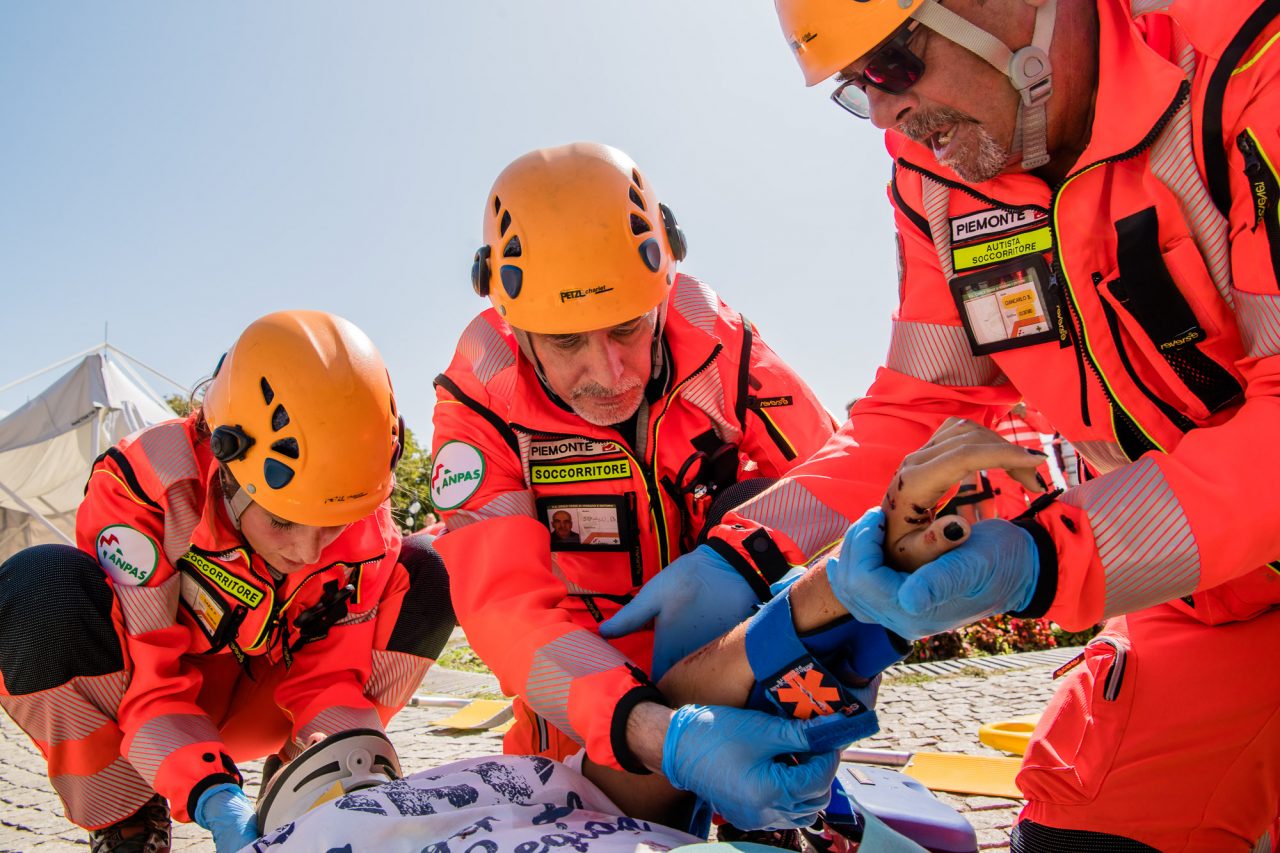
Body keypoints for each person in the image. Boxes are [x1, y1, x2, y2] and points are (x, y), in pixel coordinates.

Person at [606, 0, 1280, 848]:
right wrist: (744, 550)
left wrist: (1050, 556)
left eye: (891, 63)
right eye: (856, 90)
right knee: (1082, 832)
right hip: (1212, 598)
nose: (885, 113)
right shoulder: (938, 176)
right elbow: (924, 403)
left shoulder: (1247, 65)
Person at [430, 141, 841, 831]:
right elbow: (500, 601)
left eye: (627, 326)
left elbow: (832, 481)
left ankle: (796, 778)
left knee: (769, 512)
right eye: (565, 342)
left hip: (737, 675)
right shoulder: (481, 392)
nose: (610, 369)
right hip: (580, 718)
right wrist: (649, 729)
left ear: (664, 278)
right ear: (511, 317)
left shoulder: (718, 341)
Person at [0, 311, 455, 853]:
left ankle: (307, 783)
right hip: (150, 709)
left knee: (432, 567)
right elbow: (150, 685)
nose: (308, 552)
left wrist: (350, 769)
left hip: (273, 706)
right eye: (282, 521)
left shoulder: (362, 513)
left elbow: (332, 678)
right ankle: (128, 819)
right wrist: (213, 793)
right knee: (37, 587)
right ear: (226, 464)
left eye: (331, 525)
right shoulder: (149, 486)